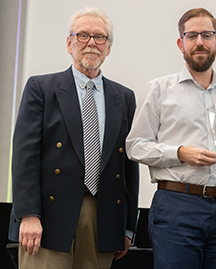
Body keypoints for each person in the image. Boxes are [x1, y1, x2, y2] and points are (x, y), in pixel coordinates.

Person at [126, 7, 216, 269]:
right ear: (181, 43)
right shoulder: (158, 90)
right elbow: (135, 146)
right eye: (192, 36)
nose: (199, 42)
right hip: (178, 207)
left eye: (207, 35)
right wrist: (179, 153)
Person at [8, 7, 139, 269]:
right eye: (82, 35)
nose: (91, 42)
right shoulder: (41, 89)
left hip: (102, 219)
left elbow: (128, 168)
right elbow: (25, 157)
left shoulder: (124, 97)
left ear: (108, 48)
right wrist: (28, 215)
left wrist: (127, 228)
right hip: (48, 218)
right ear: (69, 43)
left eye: (99, 37)